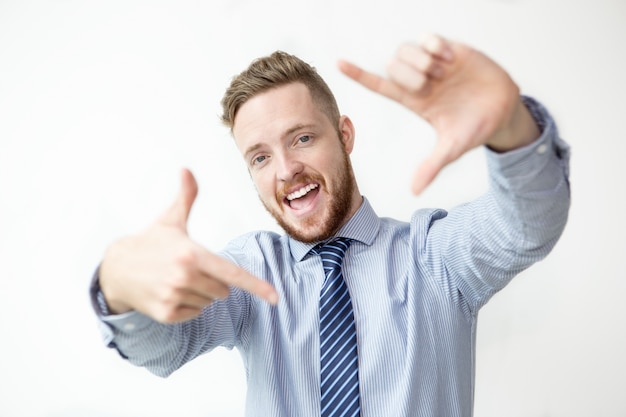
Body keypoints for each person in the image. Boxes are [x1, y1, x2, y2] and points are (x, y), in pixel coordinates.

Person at [90, 33, 571, 416]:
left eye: (301, 138)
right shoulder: (251, 271)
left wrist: (510, 127)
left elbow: (527, 224)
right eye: (260, 157)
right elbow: (162, 348)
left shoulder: (433, 257)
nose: (285, 169)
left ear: (344, 135)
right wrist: (118, 285)